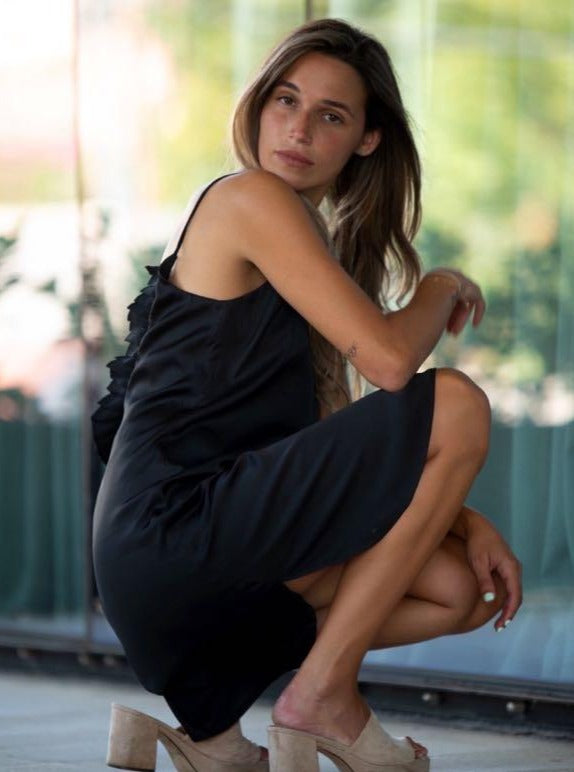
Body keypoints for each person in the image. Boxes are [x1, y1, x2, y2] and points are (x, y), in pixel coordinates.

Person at [91, 17, 522, 772]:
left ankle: (211, 741)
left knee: (460, 590)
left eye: (331, 115)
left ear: (367, 139)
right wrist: (441, 284)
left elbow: (334, 452)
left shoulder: (304, 245)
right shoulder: (248, 198)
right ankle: (322, 696)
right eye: (285, 101)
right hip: (173, 531)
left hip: (198, 551)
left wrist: (465, 520)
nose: (298, 129)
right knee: (454, 401)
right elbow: (392, 363)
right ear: (259, 106)